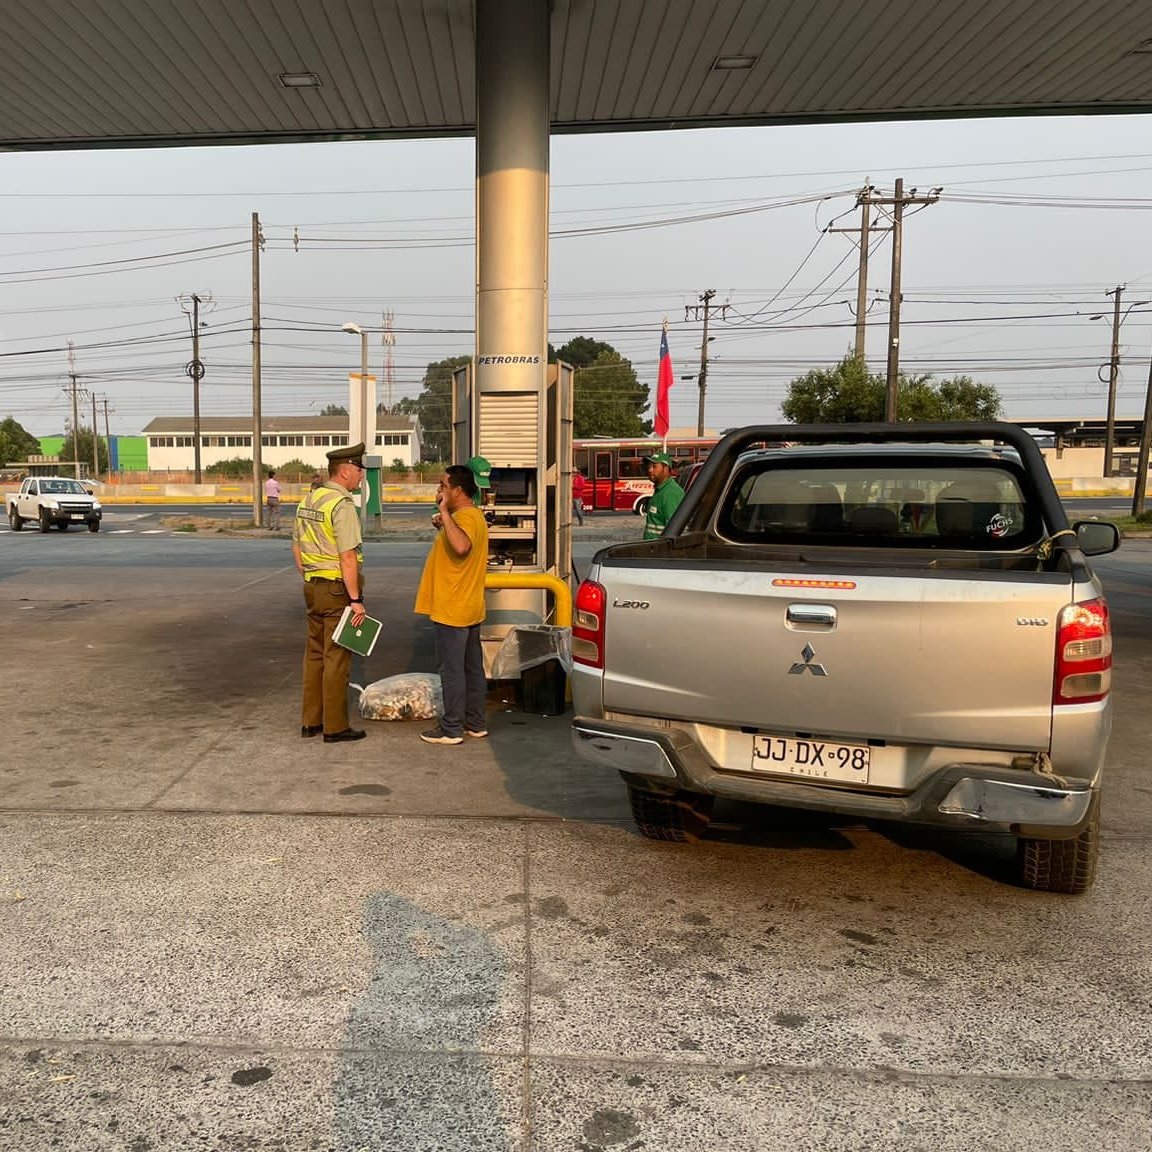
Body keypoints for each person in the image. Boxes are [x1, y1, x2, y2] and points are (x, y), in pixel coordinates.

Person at [292, 443, 369, 743]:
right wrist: (355, 600)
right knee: (337, 656)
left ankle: (311, 722)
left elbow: (296, 548)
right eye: (360, 470)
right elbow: (347, 556)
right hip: (337, 590)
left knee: (314, 655)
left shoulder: (309, 500)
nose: (362, 476)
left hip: (312, 587)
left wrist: (312, 575)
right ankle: (335, 727)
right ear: (347, 470)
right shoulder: (341, 505)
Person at [414, 464, 490, 745]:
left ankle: (452, 727)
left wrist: (444, 513)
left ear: (458, 490)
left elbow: (461, 547)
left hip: (453, 608)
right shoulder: (471, 516)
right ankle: (475, 722)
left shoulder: (466, 517)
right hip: (468, 606)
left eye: (444, 485)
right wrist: (445, 520)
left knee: (452, 670)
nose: (440, 490)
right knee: (471, 668)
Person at [642, 451, 685, 540]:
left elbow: (674, 532)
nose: (649, 470)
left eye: (654, 466)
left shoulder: (671, 493)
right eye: (649, 466)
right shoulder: (660, 490)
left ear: (665, 468)